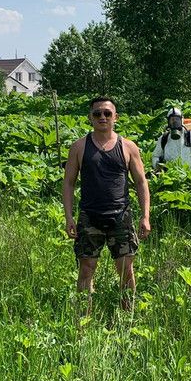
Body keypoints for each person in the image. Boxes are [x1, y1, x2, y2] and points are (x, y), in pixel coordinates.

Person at [62, 96, 151, 310]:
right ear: (90, 118)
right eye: (97, 113)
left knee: (126, 269)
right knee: (86, 268)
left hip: (121, 216)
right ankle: (84, 317)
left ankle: (127, 318)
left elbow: (140, 182)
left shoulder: (128, 147)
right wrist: (69, 217)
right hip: (89, 216)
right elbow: (68, 184)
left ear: (115, 117)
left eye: (107, 113)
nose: (102, 117)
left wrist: (145, 215)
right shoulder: (79, 147)